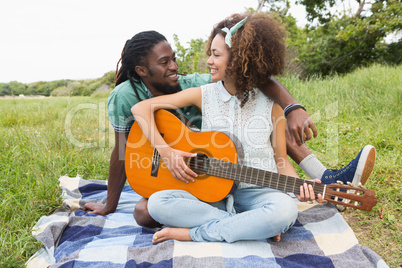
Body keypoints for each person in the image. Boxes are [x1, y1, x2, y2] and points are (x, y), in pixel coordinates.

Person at [82, 25, 376, 225]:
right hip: (176, 173)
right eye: (164, 62)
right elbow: (121, 151)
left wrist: (291, 106)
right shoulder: (124, 97)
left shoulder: (190, 84)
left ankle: (323, 176)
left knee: (261, 112)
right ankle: (246, 221)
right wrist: (110, 203)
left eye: (173, 58)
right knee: (144, 213)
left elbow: (257, 79)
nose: (174, 66)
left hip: (224, 160)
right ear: (142, 70)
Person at [131, 13, 324, 243]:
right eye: (210, 54)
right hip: (212, 196)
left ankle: (195, 233)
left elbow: (281, 160)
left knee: (285, 211)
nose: (209, 61)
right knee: (157, 203)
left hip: (259, 193)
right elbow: (141, 109)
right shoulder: (203, 95)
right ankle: (247, 225)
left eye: (216, 55)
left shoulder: (272, 107)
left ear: (239, 60)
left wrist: (302, 187)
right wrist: (166, 151)